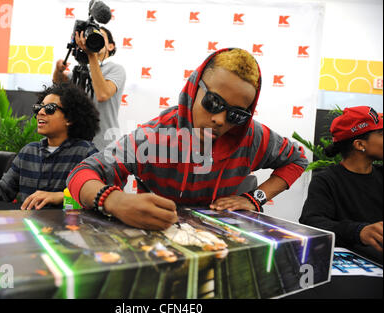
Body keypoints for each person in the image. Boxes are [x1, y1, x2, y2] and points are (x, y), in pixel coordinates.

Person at [66, 48, 309, 230]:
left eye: (236, 114)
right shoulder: (154, 137)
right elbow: (82, 172)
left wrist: (254, 199)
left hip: (222, 241)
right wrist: (115, 201)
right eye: (214, 103)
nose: (221, 120)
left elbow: (297, 159)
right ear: (194, 88)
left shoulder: (252, 137)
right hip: (158, 237)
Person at [0, 82, 99, 210]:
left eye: (49, 109)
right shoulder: (29, 151)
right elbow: (1, 192)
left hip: (67, 233)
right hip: (28, 230)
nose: (40, 112)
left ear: (69, 118)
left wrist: (59, 197)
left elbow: (101, 195)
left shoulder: (85, 152)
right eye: (38, 108)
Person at [300, 106, 383, 264]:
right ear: (360, 145)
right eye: (382, 134)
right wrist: (359, 232)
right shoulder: (326, 180)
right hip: (350, 268)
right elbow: (311, 222)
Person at [53, 26, 126, 151]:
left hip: (104, 145)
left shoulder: (115, 69)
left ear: (110, 46)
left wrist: (91, 54)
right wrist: (58, 70)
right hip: (75, 144)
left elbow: (102, 94)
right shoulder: (81, 71)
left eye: (99, 36)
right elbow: (58, 86)